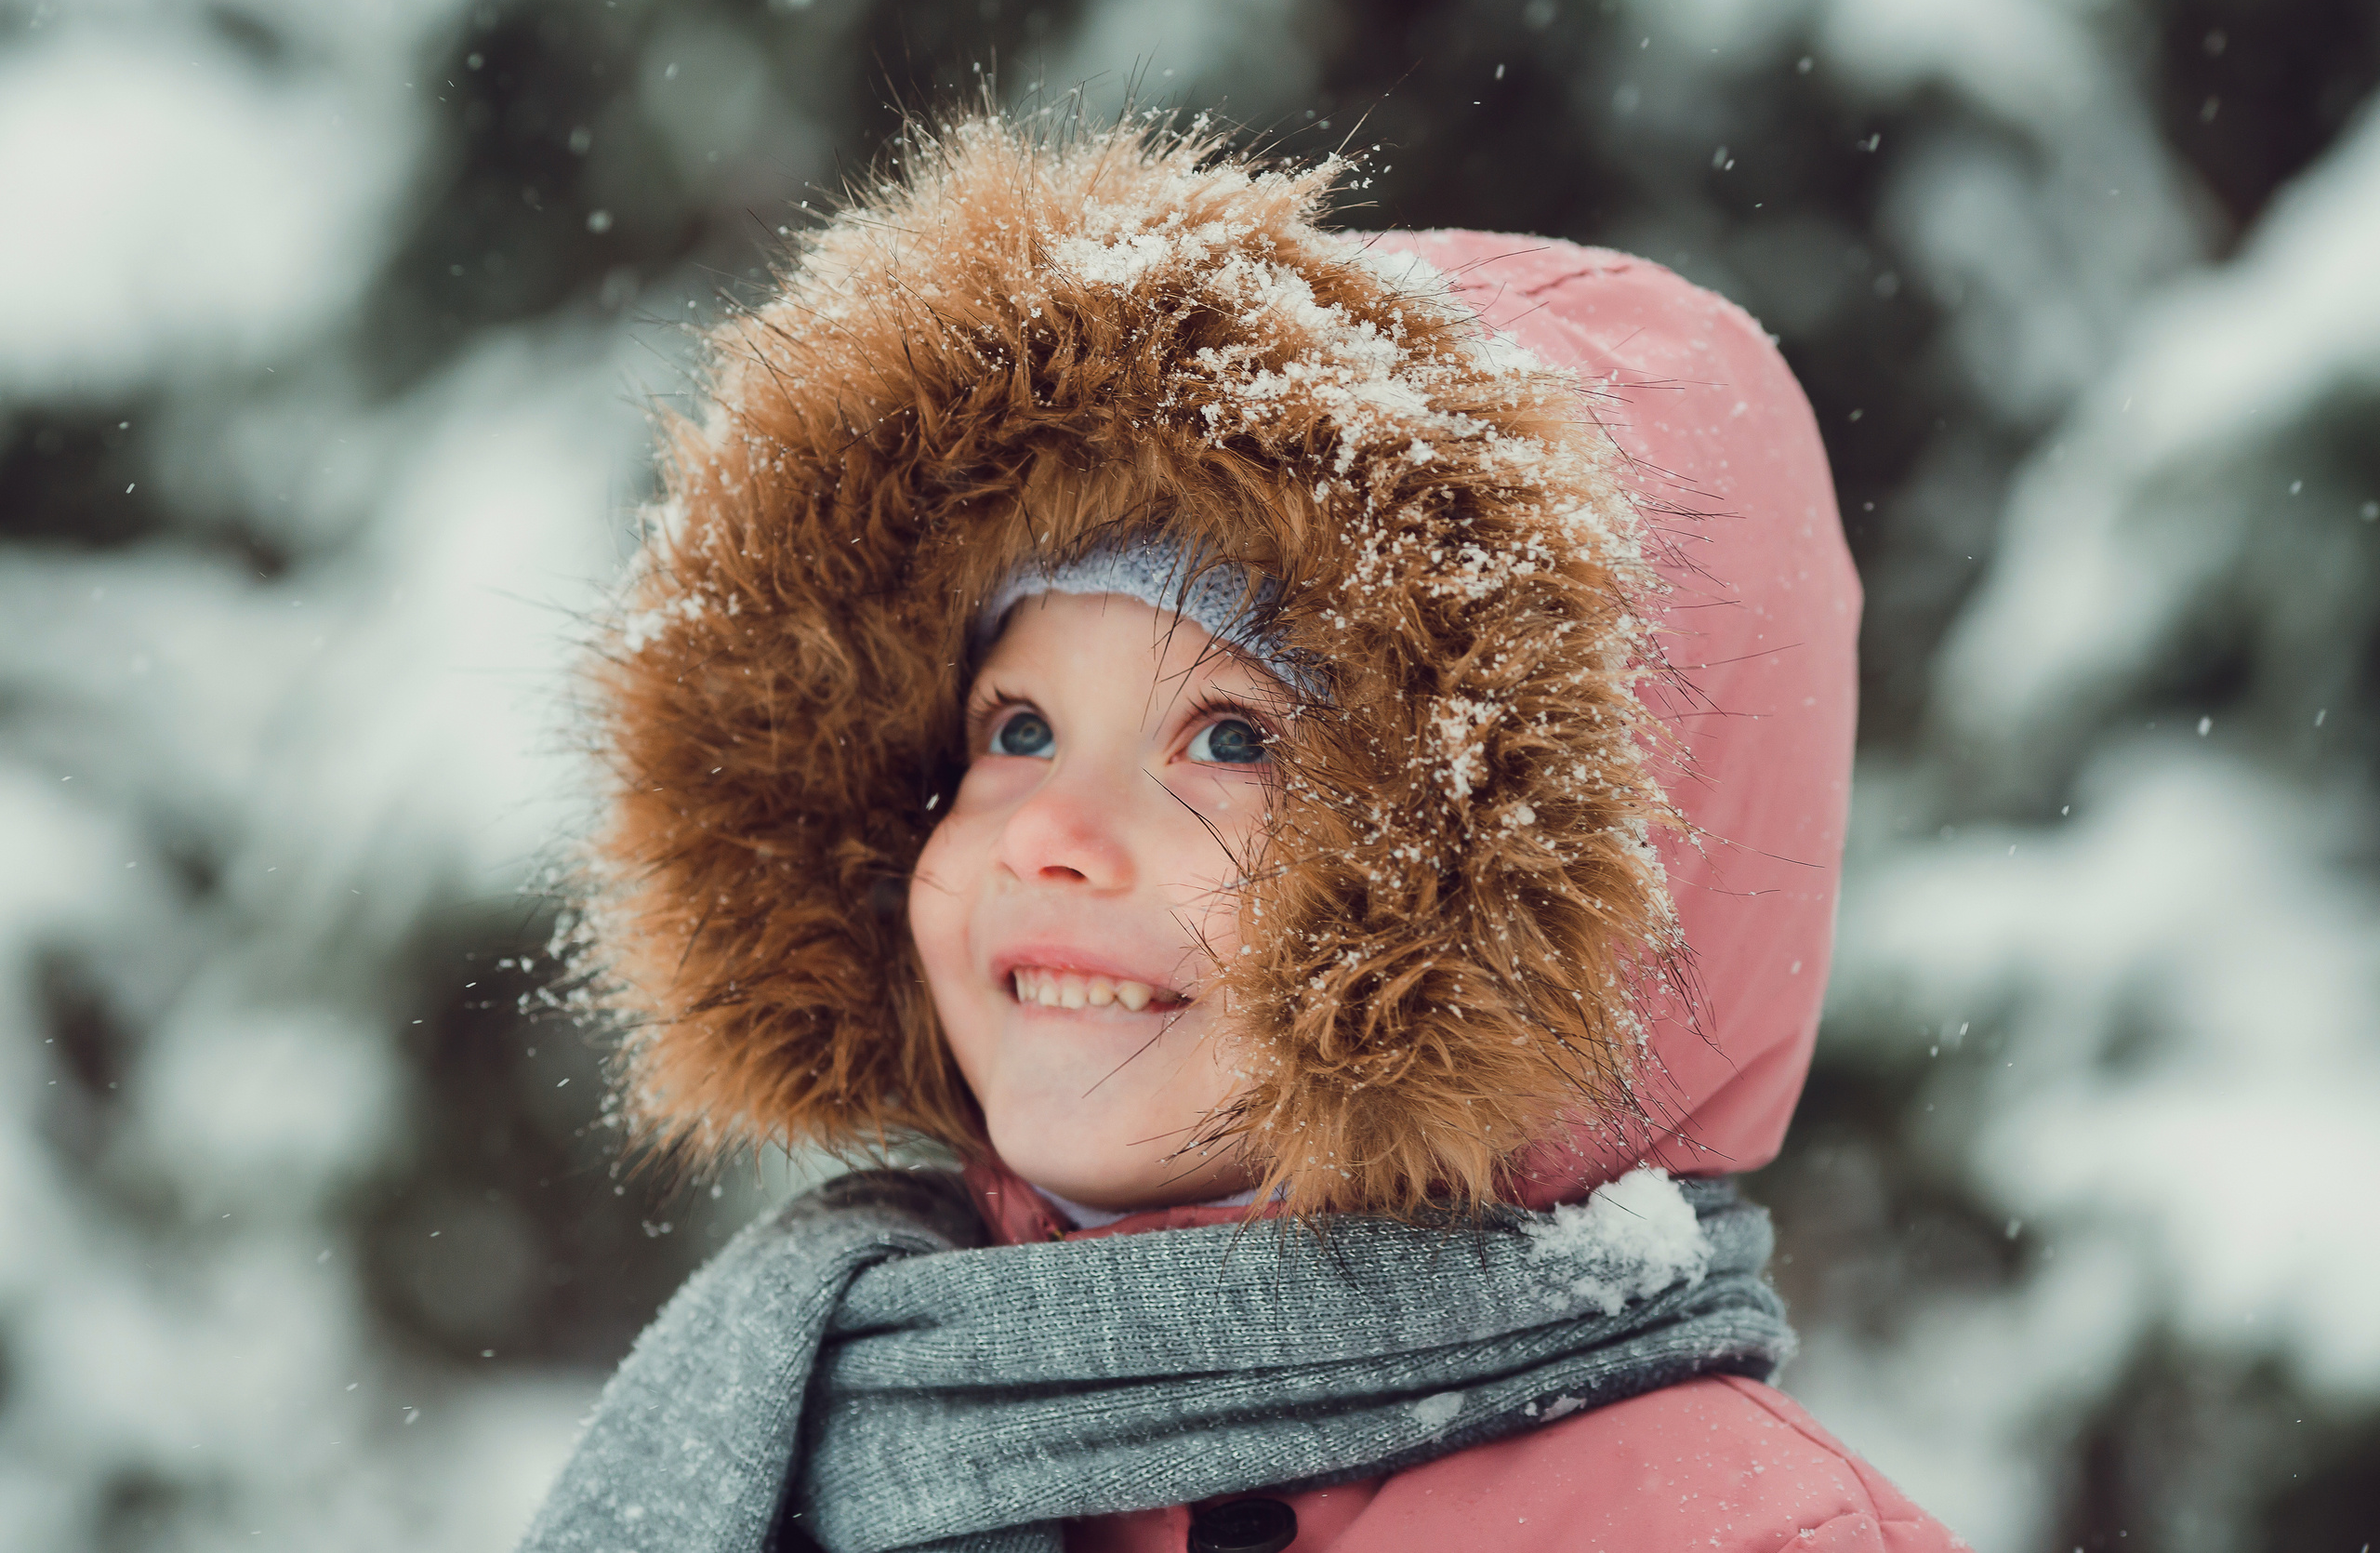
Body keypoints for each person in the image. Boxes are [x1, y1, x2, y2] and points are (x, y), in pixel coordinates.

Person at [522, 113, 1964, 1553]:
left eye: (1230, 740)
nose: (1052, 838)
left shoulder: (1724, 1530)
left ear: (1502, 872)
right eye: (1015, 730)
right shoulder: (823, 1426)